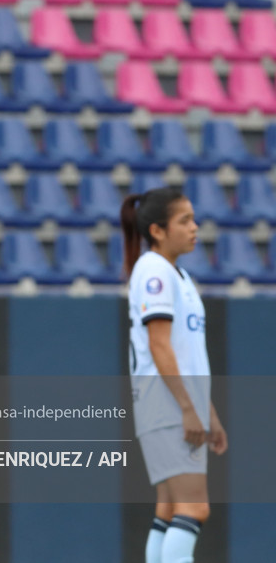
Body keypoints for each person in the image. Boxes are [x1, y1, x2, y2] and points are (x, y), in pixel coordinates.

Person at [120, 187, 228, 563]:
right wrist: (187, 408)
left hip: (171, 404)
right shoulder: (155, 271)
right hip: (167, 404)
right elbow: (160, 346)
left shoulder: (173, 273)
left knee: (168, 511)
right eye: (184, 220)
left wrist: (206, 411)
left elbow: (185, 352)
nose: (194, 227)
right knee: (194, 508)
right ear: (157, 230)